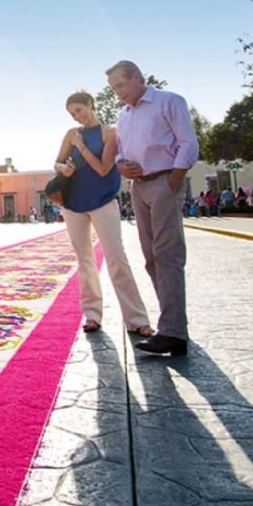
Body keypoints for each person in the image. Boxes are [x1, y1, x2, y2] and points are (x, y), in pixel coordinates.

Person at [106, 60, 199, 357]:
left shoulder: (169, 101)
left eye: (120, 85)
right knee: (150, 259)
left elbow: (188, 143)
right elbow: (121, 152)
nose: (118, 92)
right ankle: (173, 326)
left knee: (167, 255)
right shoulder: (124, 115)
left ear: (136, 77)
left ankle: (172, 332)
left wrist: (174, 178)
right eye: (113, 88)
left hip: (164, 182)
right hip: (139, 187)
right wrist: (122, 165)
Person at [53, 90, 152, 336]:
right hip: (73, 204)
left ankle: (137, 319)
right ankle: (92, 315)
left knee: (116, 257)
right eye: (72, 114)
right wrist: (64, 168)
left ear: (90, 104)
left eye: (79, 110)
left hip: (103, 201)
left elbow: (103, 168)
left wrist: (81, 147)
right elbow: (57, 162)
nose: (77, 117)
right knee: (84, 261)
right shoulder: (71, 134)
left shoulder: (110, 133)